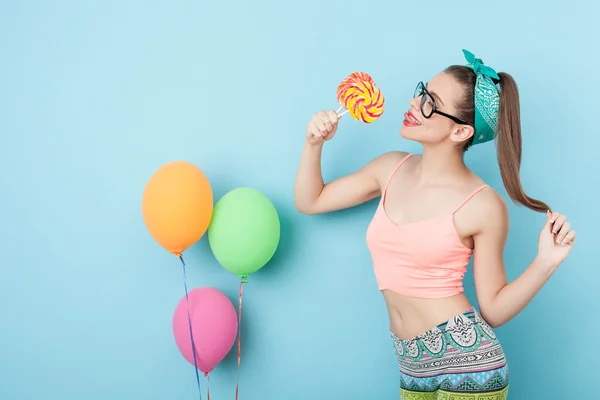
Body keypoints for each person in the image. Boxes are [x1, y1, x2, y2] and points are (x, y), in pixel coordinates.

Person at [293, 49, 576, 400]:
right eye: (422, 91)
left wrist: (545, 262)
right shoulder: (390, 168)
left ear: (460, 131)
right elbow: (311, 200)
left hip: (467, 364)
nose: (415, 102)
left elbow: (494, 309)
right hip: (411, 368)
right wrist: (313, 144)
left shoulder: (483, 205)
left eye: (430, 101)